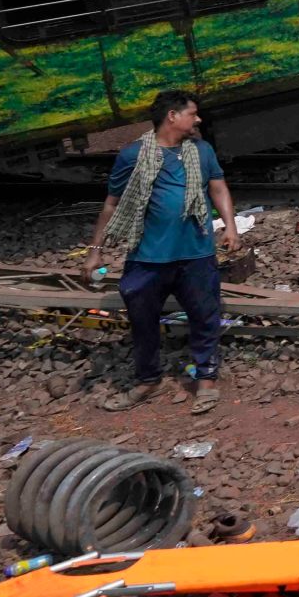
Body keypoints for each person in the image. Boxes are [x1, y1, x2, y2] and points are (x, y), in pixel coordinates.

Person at [88, 89, 242, 413]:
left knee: (205, 316)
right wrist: (95, 250)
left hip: (196, 252)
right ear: (173, 116)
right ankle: (148, 380)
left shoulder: (201, 151)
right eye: (192, 113)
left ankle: (206, 381)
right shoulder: (132, 155)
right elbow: (112, 204)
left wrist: (230, 226)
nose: (198, 119)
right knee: (142, 320)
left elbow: (217, 187)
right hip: (147, 256)